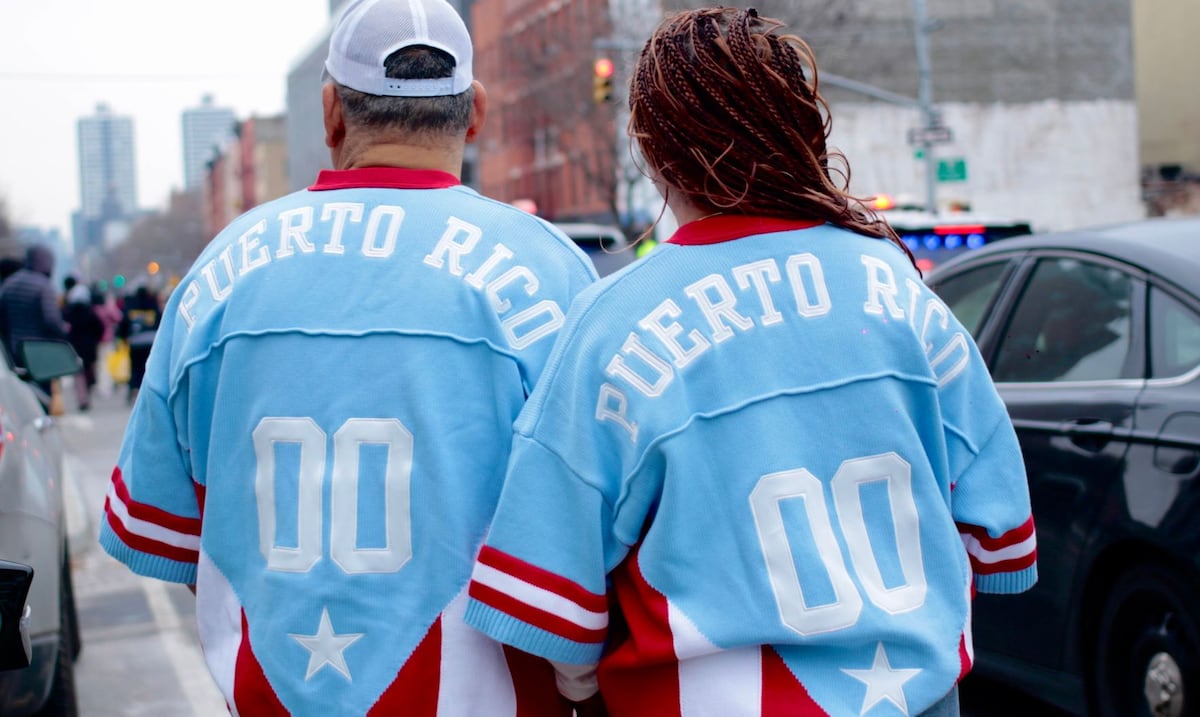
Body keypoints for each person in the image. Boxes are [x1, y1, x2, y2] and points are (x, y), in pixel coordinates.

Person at [464, 8, 1037, 717]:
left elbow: (547, 592)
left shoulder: (615, 322)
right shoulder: (898, 286)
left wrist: (587, 688)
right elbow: (1002, 536)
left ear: (654, 147)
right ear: (798, 131)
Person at [96, 0, 597, 714]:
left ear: (331, 112)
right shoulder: (550, 271)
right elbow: (592, 539)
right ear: (475, 113)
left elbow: (164, 531)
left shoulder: (220, 271)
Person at [0, 244, 68, 400]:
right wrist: (64, 336)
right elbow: (52, 321)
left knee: (23, 395)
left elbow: (2, 322)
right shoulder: (43, 285)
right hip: (40, 352)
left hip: (15, 351)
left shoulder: (9, 284)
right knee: (44, 394)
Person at [115, 285, 162, 404]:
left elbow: (124, 323)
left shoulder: (131, 305)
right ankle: (149, 392)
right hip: (152, 342)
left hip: (135, 342)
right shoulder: (153, 304)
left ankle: (134, 391)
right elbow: (161, 321)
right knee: (149, 368)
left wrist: (122, 337)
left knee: (135, 368)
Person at [62, 280, 104, 411]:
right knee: (88, 373)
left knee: (78, 375)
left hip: (75, 348)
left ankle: (82, 398)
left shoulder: (68, 312)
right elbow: (100, 327)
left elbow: (64, 329)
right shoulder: (91, 312)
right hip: (90, 347)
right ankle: (87, 396)